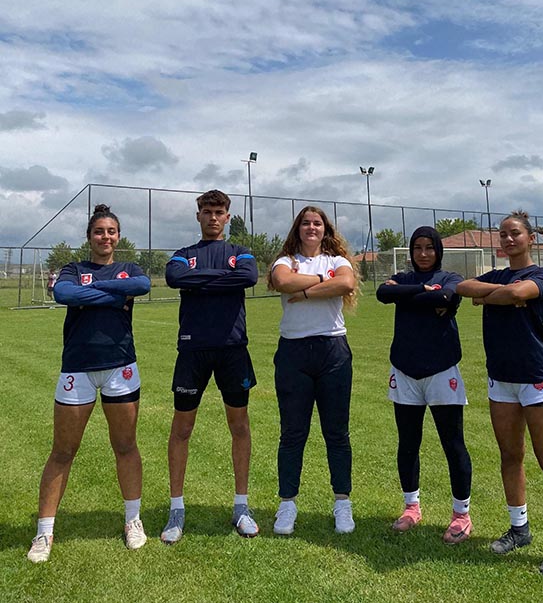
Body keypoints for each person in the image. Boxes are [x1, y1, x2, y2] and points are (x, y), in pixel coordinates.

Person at [28, 205, 151, 563]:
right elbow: (64, 294)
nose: (105, 237)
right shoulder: (73, 269)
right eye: (99, 231)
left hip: (120, 367)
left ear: (118, 236)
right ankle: (44, 532)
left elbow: (141, 286)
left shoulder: (130, 269)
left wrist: (95, 289)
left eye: (111, 231)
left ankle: (133, 520)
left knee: (125, 446)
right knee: (62, 451)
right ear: (89, 237)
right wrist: (115, 296)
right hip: (77, 368)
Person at [456, 210, 543, 577]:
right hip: (501, 380)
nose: (508, 239)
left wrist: (493, 297)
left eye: (515, 234)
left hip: (536, 378)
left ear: (530, 239)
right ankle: (519, 529)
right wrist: (501, 295)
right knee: (510, 456)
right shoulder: (497, 276)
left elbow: (520, 292)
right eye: (503, 234)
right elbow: (463, 287)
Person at [160, 189, 259, 544]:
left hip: (232, 349)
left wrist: (200, 281)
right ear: (198, 215)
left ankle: (241, 507)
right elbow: (175, 278)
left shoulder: (240, 252)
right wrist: (222, 279)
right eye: (207, 211)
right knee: (182, 428)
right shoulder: (183, 255)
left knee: (239, 426)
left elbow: (248, 277)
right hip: (193, 350)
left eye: (219, 212)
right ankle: (176, 510)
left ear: (227, 217)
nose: (213, 217)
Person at [376, 227, 473, 544]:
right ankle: (411, 508)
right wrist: (421, 291)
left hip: (442, 370)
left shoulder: (450, 277)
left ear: (438, 250)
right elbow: (383, 294)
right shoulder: (403, 278)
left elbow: (445, 296)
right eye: (417, 247)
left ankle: (461, 515)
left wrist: (408, 295)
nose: (423, 253)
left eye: (429, 247)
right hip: (404, 371)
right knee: (408, 443)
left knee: (453, 444)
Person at [268, 206, 359, 535]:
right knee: (293, 433)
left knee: (337, 433)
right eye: (305, 223)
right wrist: (323, 280)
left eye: (317, 223)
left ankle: (342, 503)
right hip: (293, 353)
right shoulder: (285, 260)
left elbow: (346, 283)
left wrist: (304, 291)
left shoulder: (338, 260)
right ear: (298, 228)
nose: (311, 227)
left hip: (333, 351)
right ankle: (287, 505)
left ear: (325, 229)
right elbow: (282, 281)